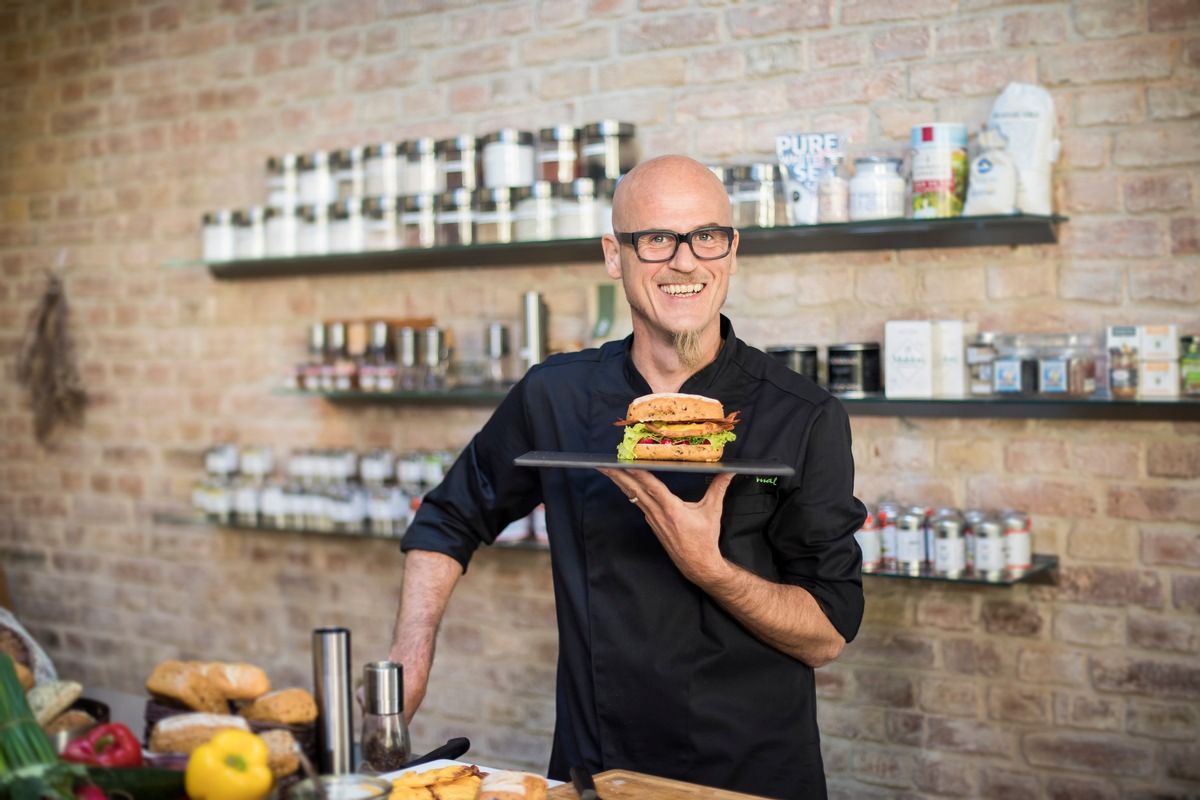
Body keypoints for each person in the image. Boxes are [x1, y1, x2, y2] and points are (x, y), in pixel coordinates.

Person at [389, 155, 865, 799]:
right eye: (657, 240)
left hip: (749, 774)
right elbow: (448, 518)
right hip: (595, 768)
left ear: (731, 250)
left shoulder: (804, 414)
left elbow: (828, 635)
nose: (686, 262)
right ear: (615, 255)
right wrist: (407, 665)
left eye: (706, 236)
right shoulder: (554, 393)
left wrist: (711, 567)